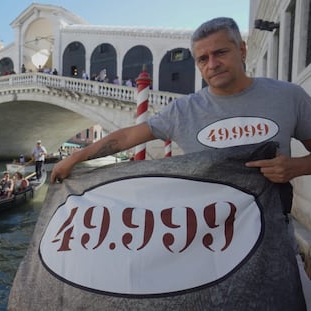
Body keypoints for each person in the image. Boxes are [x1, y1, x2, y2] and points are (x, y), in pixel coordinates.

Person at [51, 16, 311, 302]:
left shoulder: (289, 97)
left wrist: (297, 167)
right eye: (202, 58)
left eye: (220, 52)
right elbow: (126, 137)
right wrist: (76, 157)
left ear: (242, 50)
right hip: (207, 247)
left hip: (274, 241)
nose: (211, 64)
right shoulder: (185, 110)